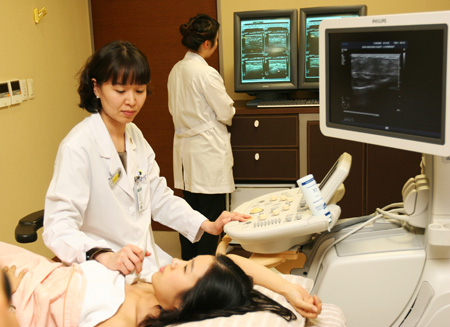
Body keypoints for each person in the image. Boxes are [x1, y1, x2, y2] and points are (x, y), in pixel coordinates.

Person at [43, 40, 248, 284]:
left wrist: (208, 224)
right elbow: (58, 226)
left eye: (139, 91)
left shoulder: (134, 135)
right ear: (96, 88)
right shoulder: (78, 146)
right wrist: (102, 255)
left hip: (146, 262)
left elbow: (158, 197)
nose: (131, 100)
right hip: (104, 271)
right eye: (120, 91)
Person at [0, 241, 322, 327]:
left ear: (182, 305)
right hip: (35, 268)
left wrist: (9, 295)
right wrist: (287, 287)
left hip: (16, 296)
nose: (175, 262)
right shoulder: (152, 284)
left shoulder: (122, 321)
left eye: (185, 268)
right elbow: (232, 265)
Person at [168, 14, 236, 260]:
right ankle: (205, 270)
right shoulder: (206, 74)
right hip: (206, 154)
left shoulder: (176, 70)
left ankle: (188, 265)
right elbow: (226, 112)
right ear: (207, 43)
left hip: (186, 156)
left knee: (190, 217)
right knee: (210, 219)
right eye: (216, 41)